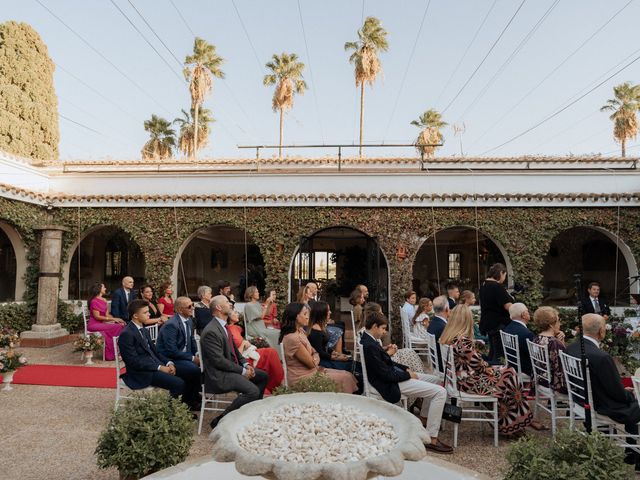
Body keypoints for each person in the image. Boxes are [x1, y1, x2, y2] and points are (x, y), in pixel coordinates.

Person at [361, 311, 452, 454]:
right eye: (383, 328)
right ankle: (431, 438)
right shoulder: (369, 345)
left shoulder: (369, 340)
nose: (384, 332)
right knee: (440, 392)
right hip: (390, 384)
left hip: (394, 377)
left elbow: (387, 362)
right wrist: (407, 375)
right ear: (374, 326)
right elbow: (385, 374)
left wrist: (405, 368)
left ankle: (423, 418)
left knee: (438, 381)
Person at [440, 305, 533, 437]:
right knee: (510, 375)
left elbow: (473, 361)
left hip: (460, 379)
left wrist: (486, 367)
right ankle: (514, 422)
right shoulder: (463, 340)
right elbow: (476, 363)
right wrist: (486, 367)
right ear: (466, 320)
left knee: (507, 376)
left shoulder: (450, 337)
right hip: (469, 382)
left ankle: (507, 422)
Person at [567, 314, 640, 468]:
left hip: (580, 399)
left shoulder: (572, 347)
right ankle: (632, 453)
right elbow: (617, 393)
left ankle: (630, 452)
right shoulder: (601, 357)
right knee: (635, 402)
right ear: (601, 331)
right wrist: (629, 393)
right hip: (600, 405)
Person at [201, 295, 268, 430]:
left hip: (230, 370)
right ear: (219, 307)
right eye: (227, 302)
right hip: (218, 375)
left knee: (263, 376)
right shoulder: (211, 331)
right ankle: (220, 421)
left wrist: (246, 365)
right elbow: (219, 361)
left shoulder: (224, 326)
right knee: (252, 391)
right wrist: (243, 372)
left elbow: (235, 352)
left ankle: (250, 414)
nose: (230, 304)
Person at [279, 302, 358, 393]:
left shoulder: (300, 331)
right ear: (296, 317)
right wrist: (316, 356)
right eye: (305, 314)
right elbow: (312, 363)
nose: (308, 316)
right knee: (346, 377)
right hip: (302, 378)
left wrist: (315, 355)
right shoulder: (293, 338)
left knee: (348, 374)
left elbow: (314, 351)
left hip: (312, 371)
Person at [117, 299, 184, 399]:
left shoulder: (143, 329)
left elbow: (155, 352)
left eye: (148, 311)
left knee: (187, 372)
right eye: (145, 312)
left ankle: (188, 404)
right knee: (178, 383)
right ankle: (170, 412)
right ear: (135, 316)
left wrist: (168, 363)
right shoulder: (127, 334)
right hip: (140, 373)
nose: (149, 314)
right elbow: (133, 361)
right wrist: (160, 368)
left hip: (152, 366)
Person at [155, 296, 202, 410]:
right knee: (193, 369)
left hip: (182, 355)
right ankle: (187, 403)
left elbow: (191, 340)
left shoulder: (189, 320)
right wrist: (192, 358)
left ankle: (192, 397)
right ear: (180, 310)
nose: (192, 308)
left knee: (201, 365)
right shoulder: (172, 325)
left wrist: (196, 354)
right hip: (168, 358)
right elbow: (171, 350)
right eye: (189, 306)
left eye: (193, 305)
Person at [226, 310, 284, 394]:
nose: (237, 314)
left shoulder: (237, 328)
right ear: (229, 317)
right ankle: (275, 385)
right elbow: (234, 355)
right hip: (243, 359)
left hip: (248, 352)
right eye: (234, 313)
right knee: (271, 352)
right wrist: (243, 344)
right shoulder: (228, 331)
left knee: (271, 352)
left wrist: (245, 343)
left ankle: (273, 385)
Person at [479, 263, 513, 362]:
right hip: (498, 324)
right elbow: (508, 306)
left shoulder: (484, 285)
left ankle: (489, 370)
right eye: (505, 275)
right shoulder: (497, 287)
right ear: (501, 273)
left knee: (493, 351)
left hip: (488, 323)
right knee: (499, 355)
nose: (504, 278)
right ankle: (495, 375)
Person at [308, 301, 353, 371]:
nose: (330, 312)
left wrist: (334, 352)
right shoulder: (316, 330)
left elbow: (323, 347)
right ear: (321, 313)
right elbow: (319, 352)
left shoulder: (320, 327)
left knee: (352, 364)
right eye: (328, 310)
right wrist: (336, 357)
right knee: (350, 366)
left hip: (325, 358)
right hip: (322, 362)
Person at [532, 306, 566, 393]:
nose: (560, 324)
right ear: (551, 325)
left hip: (540, 380)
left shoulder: (537, 338)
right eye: (558, 321)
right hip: (554, 384)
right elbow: (563, 366)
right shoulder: (554, 343)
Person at [87, 282, 125, 361]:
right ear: (99, 289)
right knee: (119, 327)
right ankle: (115, 353)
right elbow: (97, 317)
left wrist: (116, 319)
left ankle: (117, 351)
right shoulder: (94, 301)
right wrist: (114, 319)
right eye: (104, 287)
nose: (105, 289)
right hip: (94, 324)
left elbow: (107, 315)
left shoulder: (104, 300)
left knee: (121, 324)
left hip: (102, 324)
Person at [501, 303, 534, 376]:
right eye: (527, 311)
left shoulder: (507, 328)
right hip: (525, 369)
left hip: (512, 365)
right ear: (523, 315)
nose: (529, 313)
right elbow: (534, 356)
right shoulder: (526, 333)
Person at [427, 295, 450, 372]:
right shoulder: (443, 327)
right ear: (447, 309)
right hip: (444, 367)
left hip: (437, 364)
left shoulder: (433, 322)